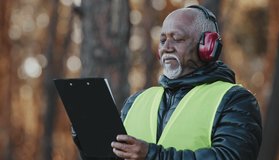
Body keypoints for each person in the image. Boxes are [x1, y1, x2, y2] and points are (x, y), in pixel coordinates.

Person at [74, 5, 262, 160]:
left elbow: (230, 157)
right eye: (162, 40)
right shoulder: (137, 101)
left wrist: (152, 155)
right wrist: (88, 141)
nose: (166, 48)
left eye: (177, 39)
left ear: (207, 46)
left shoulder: (236, 100)